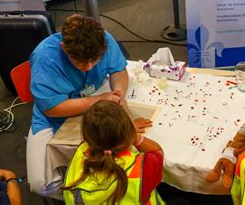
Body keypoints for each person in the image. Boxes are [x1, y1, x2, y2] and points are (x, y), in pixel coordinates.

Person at [27, 14, 152, 199]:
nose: (88, 67)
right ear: (64, 48)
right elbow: (52, 107)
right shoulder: (44, 57)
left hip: (96, 94)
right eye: (79, 62)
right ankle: (91, 196)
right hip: (56, 113)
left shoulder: (105, 39)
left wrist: (118, 95)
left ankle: (107, 188)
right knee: (40, 184)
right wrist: (98, 101)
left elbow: (118, 70)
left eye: (95, 61)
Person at [63, 100, 164, 204]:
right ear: (128, 133)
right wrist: (133, 136)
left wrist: (125, 132)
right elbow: (157, 152)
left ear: (86, 137)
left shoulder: (81, 150)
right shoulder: (143, 166)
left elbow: (99, 136)